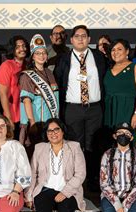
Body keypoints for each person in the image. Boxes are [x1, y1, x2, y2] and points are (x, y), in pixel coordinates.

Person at [54, 24, 106, 187]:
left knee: (93, 144)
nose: (81, 38)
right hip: (72, 109)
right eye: (77, 36)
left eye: (84, 36)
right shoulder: (64, 58)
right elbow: (57, 81)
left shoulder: (98, 57)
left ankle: (91, 179)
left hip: (94, 108)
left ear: (89, 39)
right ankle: (73, 179)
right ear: (71, 40)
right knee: (73, 144)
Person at [25, 118, 86, 212]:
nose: (53, 133)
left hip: (69, 190)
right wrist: (29, 195)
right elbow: (32, 173)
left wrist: (65, 192)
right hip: (45, 189)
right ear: (46, 134)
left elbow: (80, 174)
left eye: (56, 129)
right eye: (49, 131)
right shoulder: (39, 148)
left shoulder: (74, 147)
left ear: (63, 131)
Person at [19, 34, 59, 147]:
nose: (41, 56)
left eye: (43, 53)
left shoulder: (50, 73)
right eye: (38, 53)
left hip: (49, 122)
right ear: (33, 56)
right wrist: (32, 123)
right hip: (36, 123)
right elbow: (26, 101)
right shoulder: (27, 76)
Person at [103, 39, 136, 129]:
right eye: (113, 50)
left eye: (119, 49)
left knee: (124, 138)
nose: (116, 52)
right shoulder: (108, 68)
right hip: (108, 110)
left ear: (127, 51)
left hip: (127, 109)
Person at [0, 35, 29, 132]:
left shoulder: (28, 65)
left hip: (27, 114)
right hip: (13, 115)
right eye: (17, 47)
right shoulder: (6, 65)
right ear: (13, 49)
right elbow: (2, 93)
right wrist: (8, 118)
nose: (22, 49)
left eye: (23, 46)